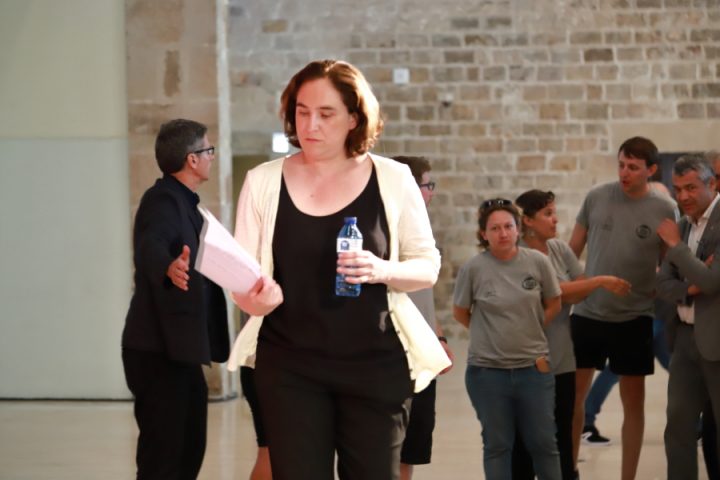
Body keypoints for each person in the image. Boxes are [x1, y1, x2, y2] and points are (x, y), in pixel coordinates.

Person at [229, 59, 448, 480]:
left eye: (326, 114)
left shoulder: (394, 178)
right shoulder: (262, 181)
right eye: (302, 112)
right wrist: (255, 299)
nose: (311, 125)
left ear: (354, 117)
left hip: (375, 363)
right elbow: (241, 282)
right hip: (289, 365)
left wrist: (381, 269)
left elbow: (427, 267)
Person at [121, 119, 234, 479]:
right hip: (156, 352)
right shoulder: (162, 201)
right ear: (192, 159)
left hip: (178, 350)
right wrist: (167, 266)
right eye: (208, 149)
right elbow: (150, 245)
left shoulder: (186, 203)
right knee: (163, 459)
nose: (212, 156)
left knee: (188, 449)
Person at [568, 136, 676, 480]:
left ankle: (628, 476)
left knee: (633, 403)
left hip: (635, 317)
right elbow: (571, 253)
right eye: (621, 165)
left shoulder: (663, 209)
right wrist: (577, 287)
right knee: (573, 398)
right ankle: (569, 470)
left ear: (651, 170)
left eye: (633, 167)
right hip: (588, 314)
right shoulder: (597, 197)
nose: (624, 172)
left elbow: (669, 264)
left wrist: (660, 288)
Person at [512, 190, 631, 480]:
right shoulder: (518, 255)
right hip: (527, 358)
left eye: (554, 212)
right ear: (528, 221)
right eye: (547, 214)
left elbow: (576, 292)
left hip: (562, 356)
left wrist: (582, 287)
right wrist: (598, 282)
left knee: (563, 431)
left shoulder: (559, 250)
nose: (555, 219)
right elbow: (555, 293)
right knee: (527, 436)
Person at [453, 199, 563, 480]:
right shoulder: (473, 268)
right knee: (497, 445)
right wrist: (490, 333)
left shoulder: (537, 262)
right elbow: (460, 312)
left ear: (518, 229)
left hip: (534, 370)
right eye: (495, 228)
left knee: (544, 444)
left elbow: (554, 302)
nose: (503, 233)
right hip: (487, 373)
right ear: (483, 234)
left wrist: (531, 327)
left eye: (508, 226)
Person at [581, 180, 675, 447]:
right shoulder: (630, 225)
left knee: (674, 365)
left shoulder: (668, 226)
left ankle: (699, 423)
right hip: (640, 312)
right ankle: (586, 421)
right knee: (616, 369)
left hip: (658, 312)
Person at [656, 154, 720, 479]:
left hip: (717, 340)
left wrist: (675, 246)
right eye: (678, 189)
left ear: (713, 184)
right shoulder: (682, 225)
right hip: (684, 338)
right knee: (678, 428)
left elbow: (712, 281)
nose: (682, 196)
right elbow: (662, 285)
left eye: (691, 188)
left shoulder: (676, 233)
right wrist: (692, 286)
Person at [392, 155, 455, 480]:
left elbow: (422, 299)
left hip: (421, 355)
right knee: (388, 448)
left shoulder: (422, 234)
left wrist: (438, 337)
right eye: (428, 185)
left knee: (411, 449)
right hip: (395, 356)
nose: (432, 192)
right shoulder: (387, 234)